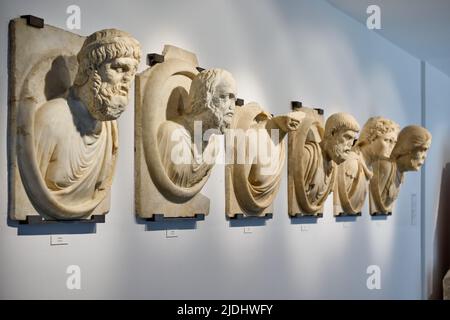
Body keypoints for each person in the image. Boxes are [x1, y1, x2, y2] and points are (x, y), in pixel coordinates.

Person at [30, 29, 140, 218]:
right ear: (90, 69)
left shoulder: (109, 127)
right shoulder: (52, 119)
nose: (126, 81)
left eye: (131, 72)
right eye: (119, 68)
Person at [157, 68, 236, 188]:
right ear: (205, 97)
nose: (232, 107)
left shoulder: (213, 147)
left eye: (233, 99)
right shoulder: (170, 133)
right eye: (224, 96)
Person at [335, 117, 400, 214]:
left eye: (394, 142)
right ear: (371, 138)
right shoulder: (352, 163)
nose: (392, 147)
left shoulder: (368, 167)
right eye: (387, 140)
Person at [299, 112, 360, 211]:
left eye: (353, 139)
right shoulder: (308, 155)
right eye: (347, 137)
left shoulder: (333, 166)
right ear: (332, 133)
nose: (350, 145)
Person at [370, 125, 431, 214]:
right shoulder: (386, 167)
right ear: (408, 147)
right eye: (422, 150)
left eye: (426, 151)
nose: (424, 156)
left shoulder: (400, 172)